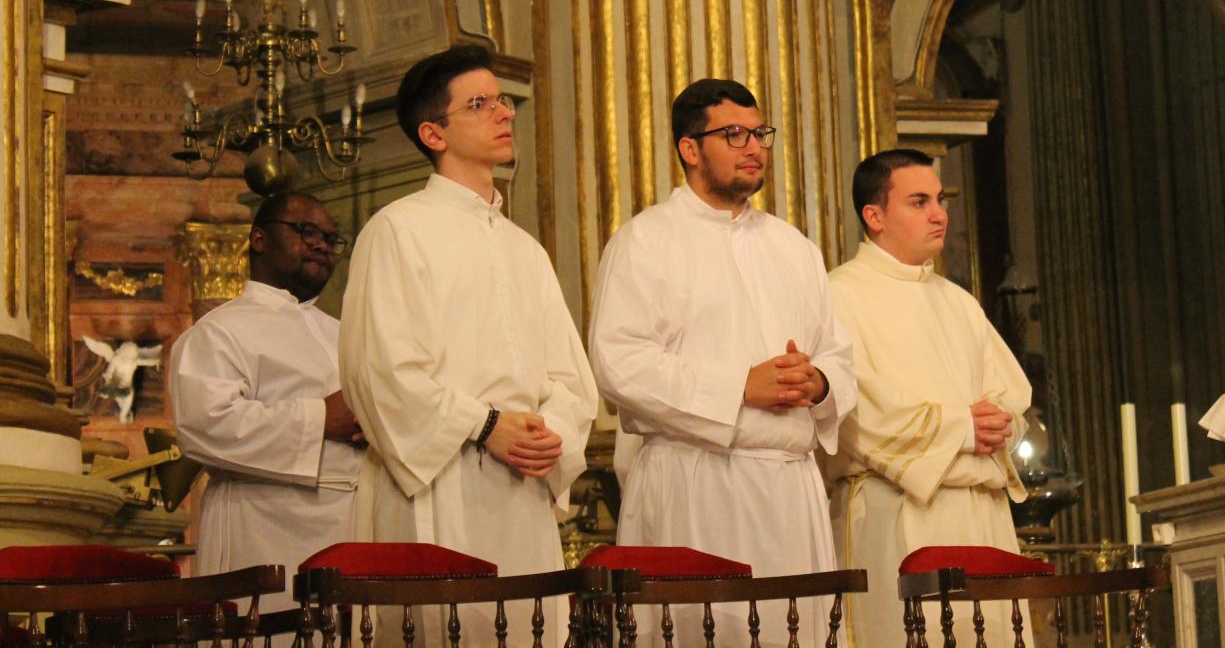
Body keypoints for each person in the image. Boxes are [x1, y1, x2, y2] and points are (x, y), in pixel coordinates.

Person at [338, 45, 597, 646]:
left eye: (502, 101)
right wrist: (485, 425)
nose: (504, 113)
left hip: (522, 487)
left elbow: (570, 377)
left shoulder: (524, 249)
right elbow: (379, 372)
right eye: (479, 104)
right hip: (438, 480)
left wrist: (548, 430)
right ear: (434, 132)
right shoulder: (397, 230)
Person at [589, 78, 855, 647]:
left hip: (790, 488)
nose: (753, 146)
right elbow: (618, 361)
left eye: (759, 133)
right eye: (733, 134)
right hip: (698, 480)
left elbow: (837, 350)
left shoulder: (795, 248)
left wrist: (819, 380)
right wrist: (739, 386)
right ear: (690, 148)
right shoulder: (646, 240)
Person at [825, 149, 1032, 647]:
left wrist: (998, 424)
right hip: (897, 511)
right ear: (874, 216)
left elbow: (1012, 399)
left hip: (982, 516)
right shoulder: (837, 295)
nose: (939, 214)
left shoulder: (957, 301)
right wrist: (962, 428)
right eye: (918, 202)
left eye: (940, 200)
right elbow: (856, 411)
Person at [170, 191, 362, 616]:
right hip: (261, 527)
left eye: (331, 240)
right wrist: (320, 418)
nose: (321, 246)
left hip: (351, 525)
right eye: (306, 231)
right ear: (258, 239)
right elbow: (205, 425)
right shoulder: (219, 332)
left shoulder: (344, 334)